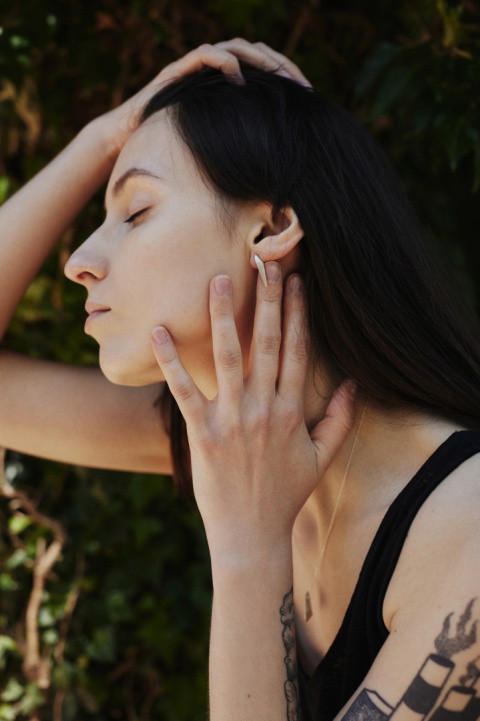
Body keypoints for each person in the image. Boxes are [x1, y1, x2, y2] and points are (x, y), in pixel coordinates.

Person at [1, 38, 480, 721]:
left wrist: (248, 545)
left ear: (274, 227)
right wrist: (102, 139)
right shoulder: (226, 436)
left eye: (135, 212)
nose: (78, 260)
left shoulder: (467, 532)